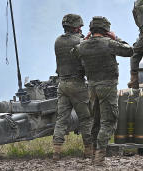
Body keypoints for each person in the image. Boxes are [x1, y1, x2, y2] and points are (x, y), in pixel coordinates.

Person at [73, 16, 133, 165]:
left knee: (96, 121)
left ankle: (94, 154)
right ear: (106, 30)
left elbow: (74, 52)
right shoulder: (109, 43)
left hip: (92, 87)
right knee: (109, 120)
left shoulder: (83, 45)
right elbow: (130, 50)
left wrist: (85, 39)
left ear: (91, 30)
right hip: (108, 86)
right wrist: (116, 37)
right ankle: (100, 157)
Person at [51, 13, 93, 160]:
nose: (81, 28)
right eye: (80, 26)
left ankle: (56, 151)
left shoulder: (58, 41)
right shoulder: (80, 41)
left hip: (62, 84)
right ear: (76, 27)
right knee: (86, 118)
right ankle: (89, 150)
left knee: (61, 119)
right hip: (77, 84)